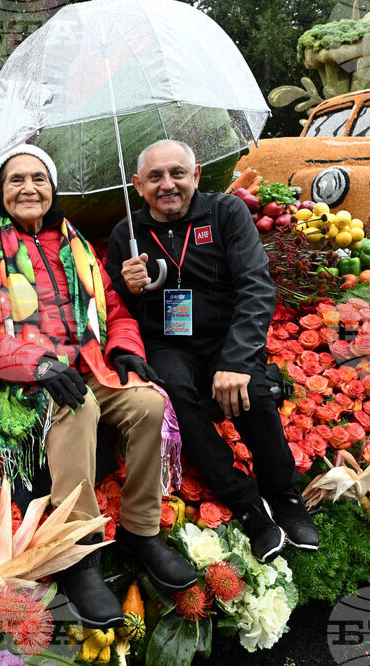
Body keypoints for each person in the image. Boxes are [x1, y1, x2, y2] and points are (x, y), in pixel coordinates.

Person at [0, 144, 197, 629]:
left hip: (88, 366)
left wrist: (125, 349)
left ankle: (141, 531)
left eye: (38, 179)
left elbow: (114, 309)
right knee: (77, 406)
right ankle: (78, 552)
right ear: (0, 193)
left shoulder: (75, 244)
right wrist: (37, 365)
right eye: (16, 180)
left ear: (52, 189)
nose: (29, 188)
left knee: (148, 404)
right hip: (22, 380)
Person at [106, 139, 319, 563]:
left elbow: (256, 287)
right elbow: (117, 313)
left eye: (177, 173)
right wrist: (128, 288)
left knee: (253, 391)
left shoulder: (225, 213)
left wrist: (236, 361)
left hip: (226, 336)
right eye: (155, 177)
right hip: (168, 345)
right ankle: (249, 506)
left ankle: (284, 495)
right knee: (175, 400)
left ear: (196, 175)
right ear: (138, 185)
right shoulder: (126, 234)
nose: (168, 184)